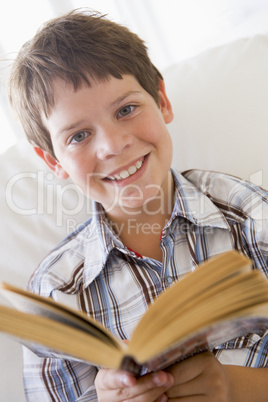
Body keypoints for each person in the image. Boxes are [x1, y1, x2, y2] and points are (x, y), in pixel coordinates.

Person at [8, 8, 268, 402]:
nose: (113, 145)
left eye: (126, 110)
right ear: (53, 162)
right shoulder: (57, 294)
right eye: (79, 136)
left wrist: (235, 387)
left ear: (161, 100)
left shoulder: (250, 215)